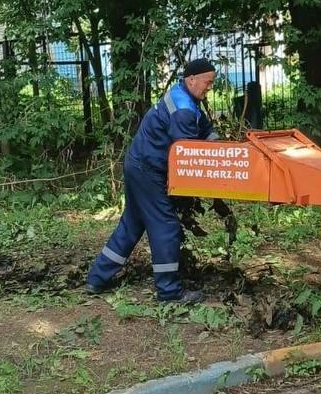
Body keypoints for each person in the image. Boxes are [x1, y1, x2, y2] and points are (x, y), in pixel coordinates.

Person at [86, 59, 220, 303]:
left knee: (131, 225)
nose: (209, 87)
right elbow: (188, 155)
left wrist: (219, 144)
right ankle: (169, 292)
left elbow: (203, 126)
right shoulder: (183, 109)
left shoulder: (184, 97)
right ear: (192, 79)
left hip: (138, 164)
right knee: (166, 227)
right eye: (208, 82)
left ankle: (97, 278)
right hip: (148, 169)